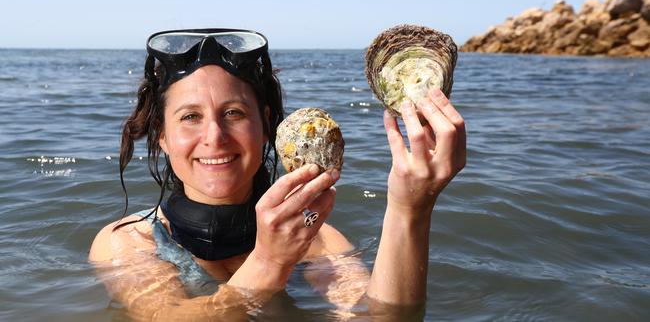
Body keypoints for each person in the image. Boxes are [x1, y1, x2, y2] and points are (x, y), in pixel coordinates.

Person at [89, 28, 466, 320]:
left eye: (234, 113)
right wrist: (270, 262)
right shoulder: (131, 242)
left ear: (266, 126)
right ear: (163, 137)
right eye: (190, 117)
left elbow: (382, 319)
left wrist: (410, 208)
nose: (215, 138)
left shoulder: (315, 238)